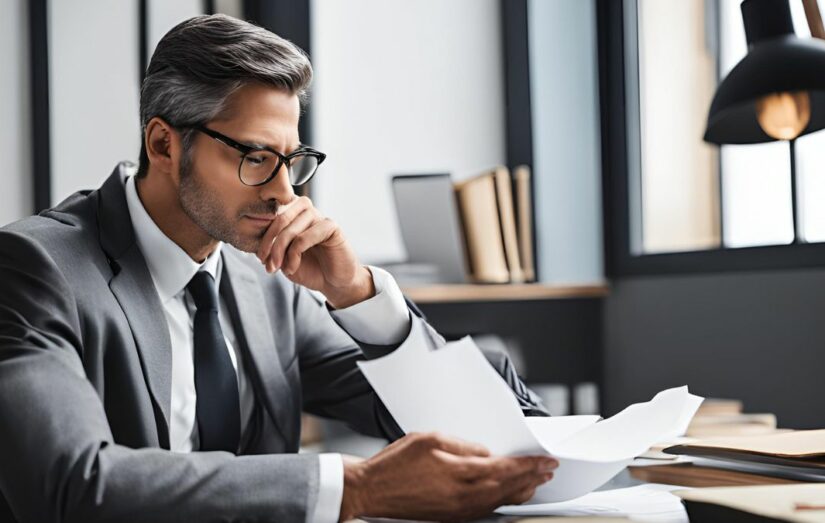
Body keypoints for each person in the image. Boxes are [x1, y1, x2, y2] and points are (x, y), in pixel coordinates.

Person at [0, 14, 556, 523]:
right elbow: (70, 485)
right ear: (164, 144)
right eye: (256, 158)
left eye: (291, 161)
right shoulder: (35, 269)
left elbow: (491, 432)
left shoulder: (265, 283)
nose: (284, 193)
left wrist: (357, 293)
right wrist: (356, 487)